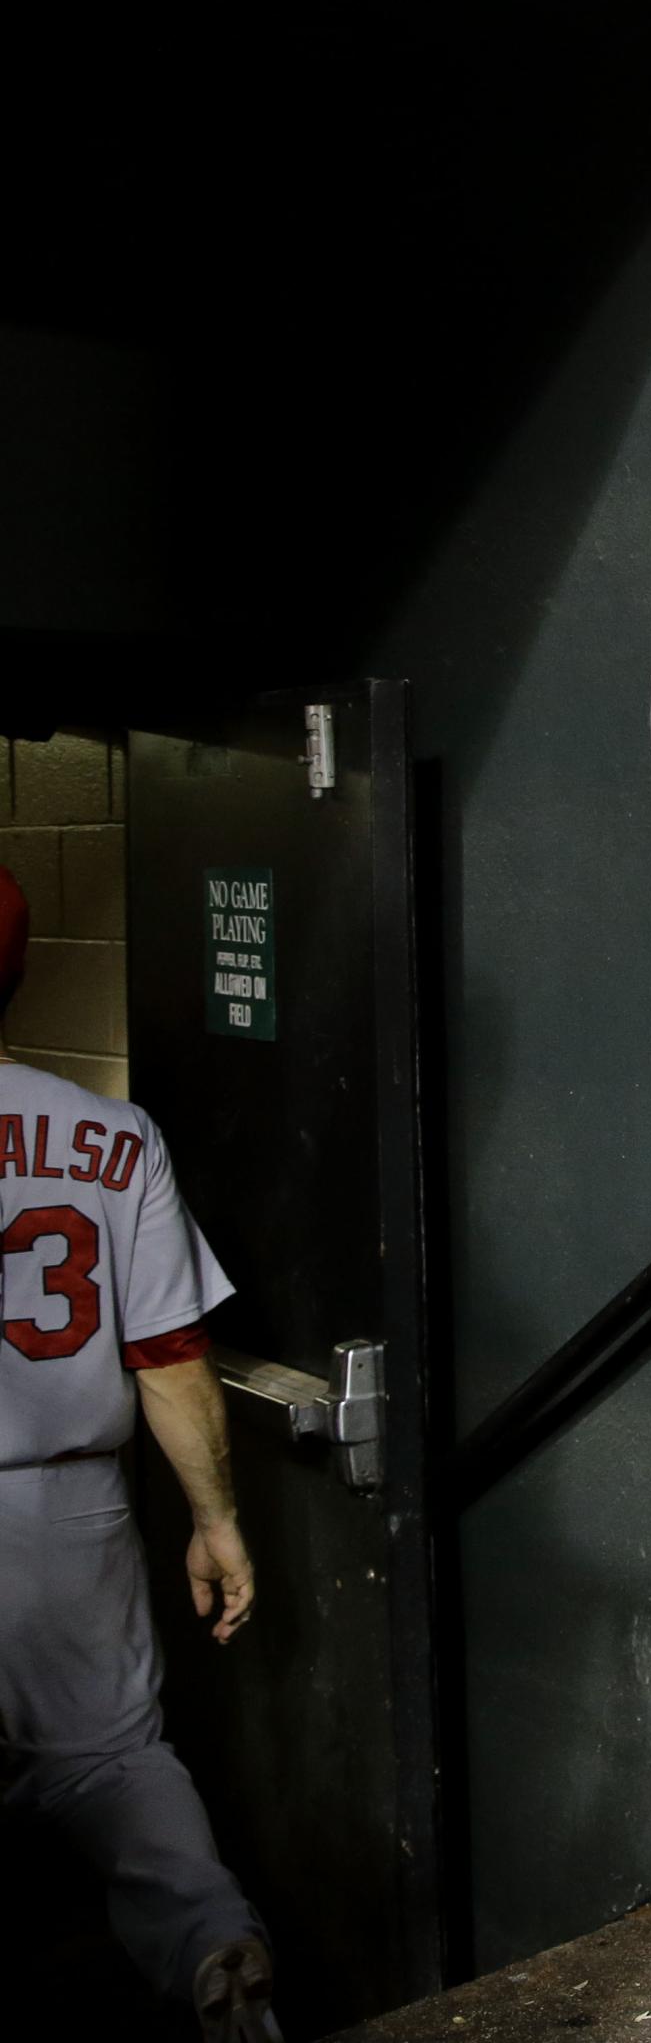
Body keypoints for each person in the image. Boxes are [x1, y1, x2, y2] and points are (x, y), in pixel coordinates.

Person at [0, 868, 282, 2042]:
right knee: (114, 1762)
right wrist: (216, 1517)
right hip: (68, 1512)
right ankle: (214, 1941)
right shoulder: (109, 1136)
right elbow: (168, 1359)